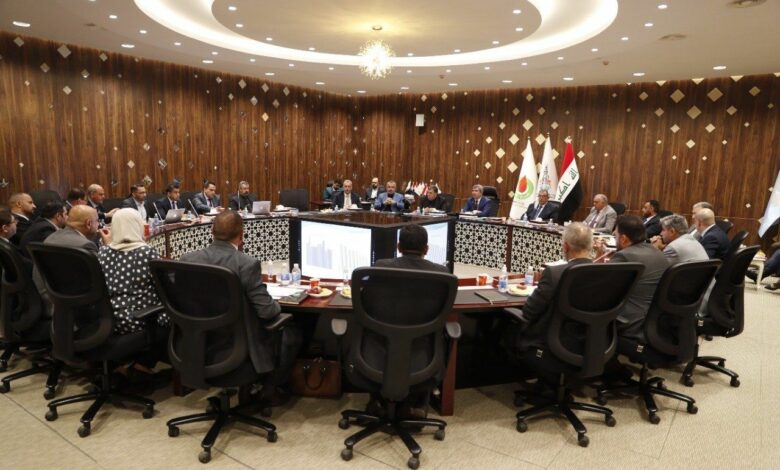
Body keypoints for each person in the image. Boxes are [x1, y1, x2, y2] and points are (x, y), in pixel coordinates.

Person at [180, 211, 301, 402]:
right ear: (241, 235)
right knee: (293, 333)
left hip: (197, 346)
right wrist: (277, 303)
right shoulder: (246, 264)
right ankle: (269, 390)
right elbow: (267, 312)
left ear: (212, 231)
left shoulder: (187, 260)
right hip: (238, 350)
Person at [507, 223, 593, 355]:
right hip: (587, 344)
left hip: (547, 345)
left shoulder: (553, 273)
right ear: (591, 246)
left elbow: (529, 311)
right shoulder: (603, 274)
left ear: (565, 246)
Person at [97, 208, 168, 336]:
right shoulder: (146, 253)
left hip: (108, 321)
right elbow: (165, 287)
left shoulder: (103, 252)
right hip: (140, 319)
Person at [607, 215, 669, 341]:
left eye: (616, 236)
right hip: (656, 319)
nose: (615, 239)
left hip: (628, 321)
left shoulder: (624, 256)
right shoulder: (658, 252)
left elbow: (603, 289)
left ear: (623, 239)